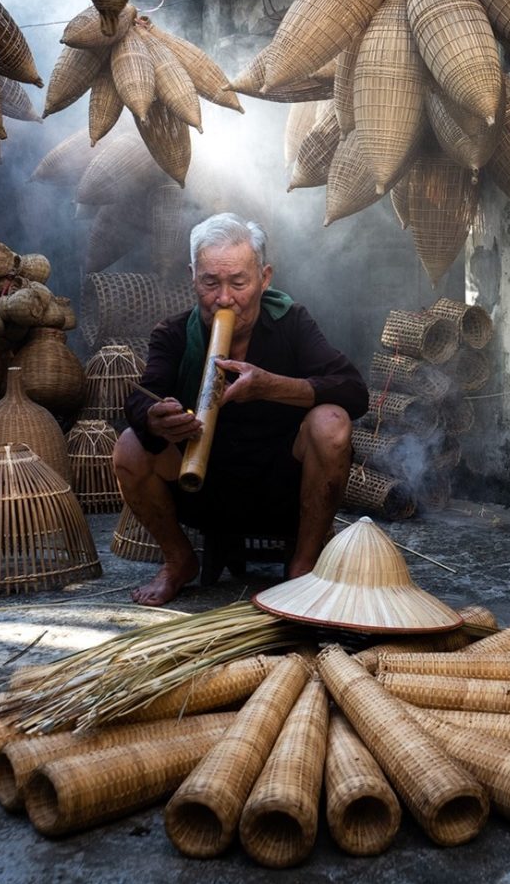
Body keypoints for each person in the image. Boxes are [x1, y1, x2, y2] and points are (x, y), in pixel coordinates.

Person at [113, 213, 369, 606]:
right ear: (193, 276)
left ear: (264, 279)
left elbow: (353, 391)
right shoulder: (175, 333)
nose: (224, 299)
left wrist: (272, 386)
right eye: (210, 282)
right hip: (201, 489)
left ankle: (302, 567)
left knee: (331, 422)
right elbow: (140, 399)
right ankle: (179, 561)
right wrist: (155, 416)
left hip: (284, 488)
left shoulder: (292, 322)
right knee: (131, 446)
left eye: (239, 282)